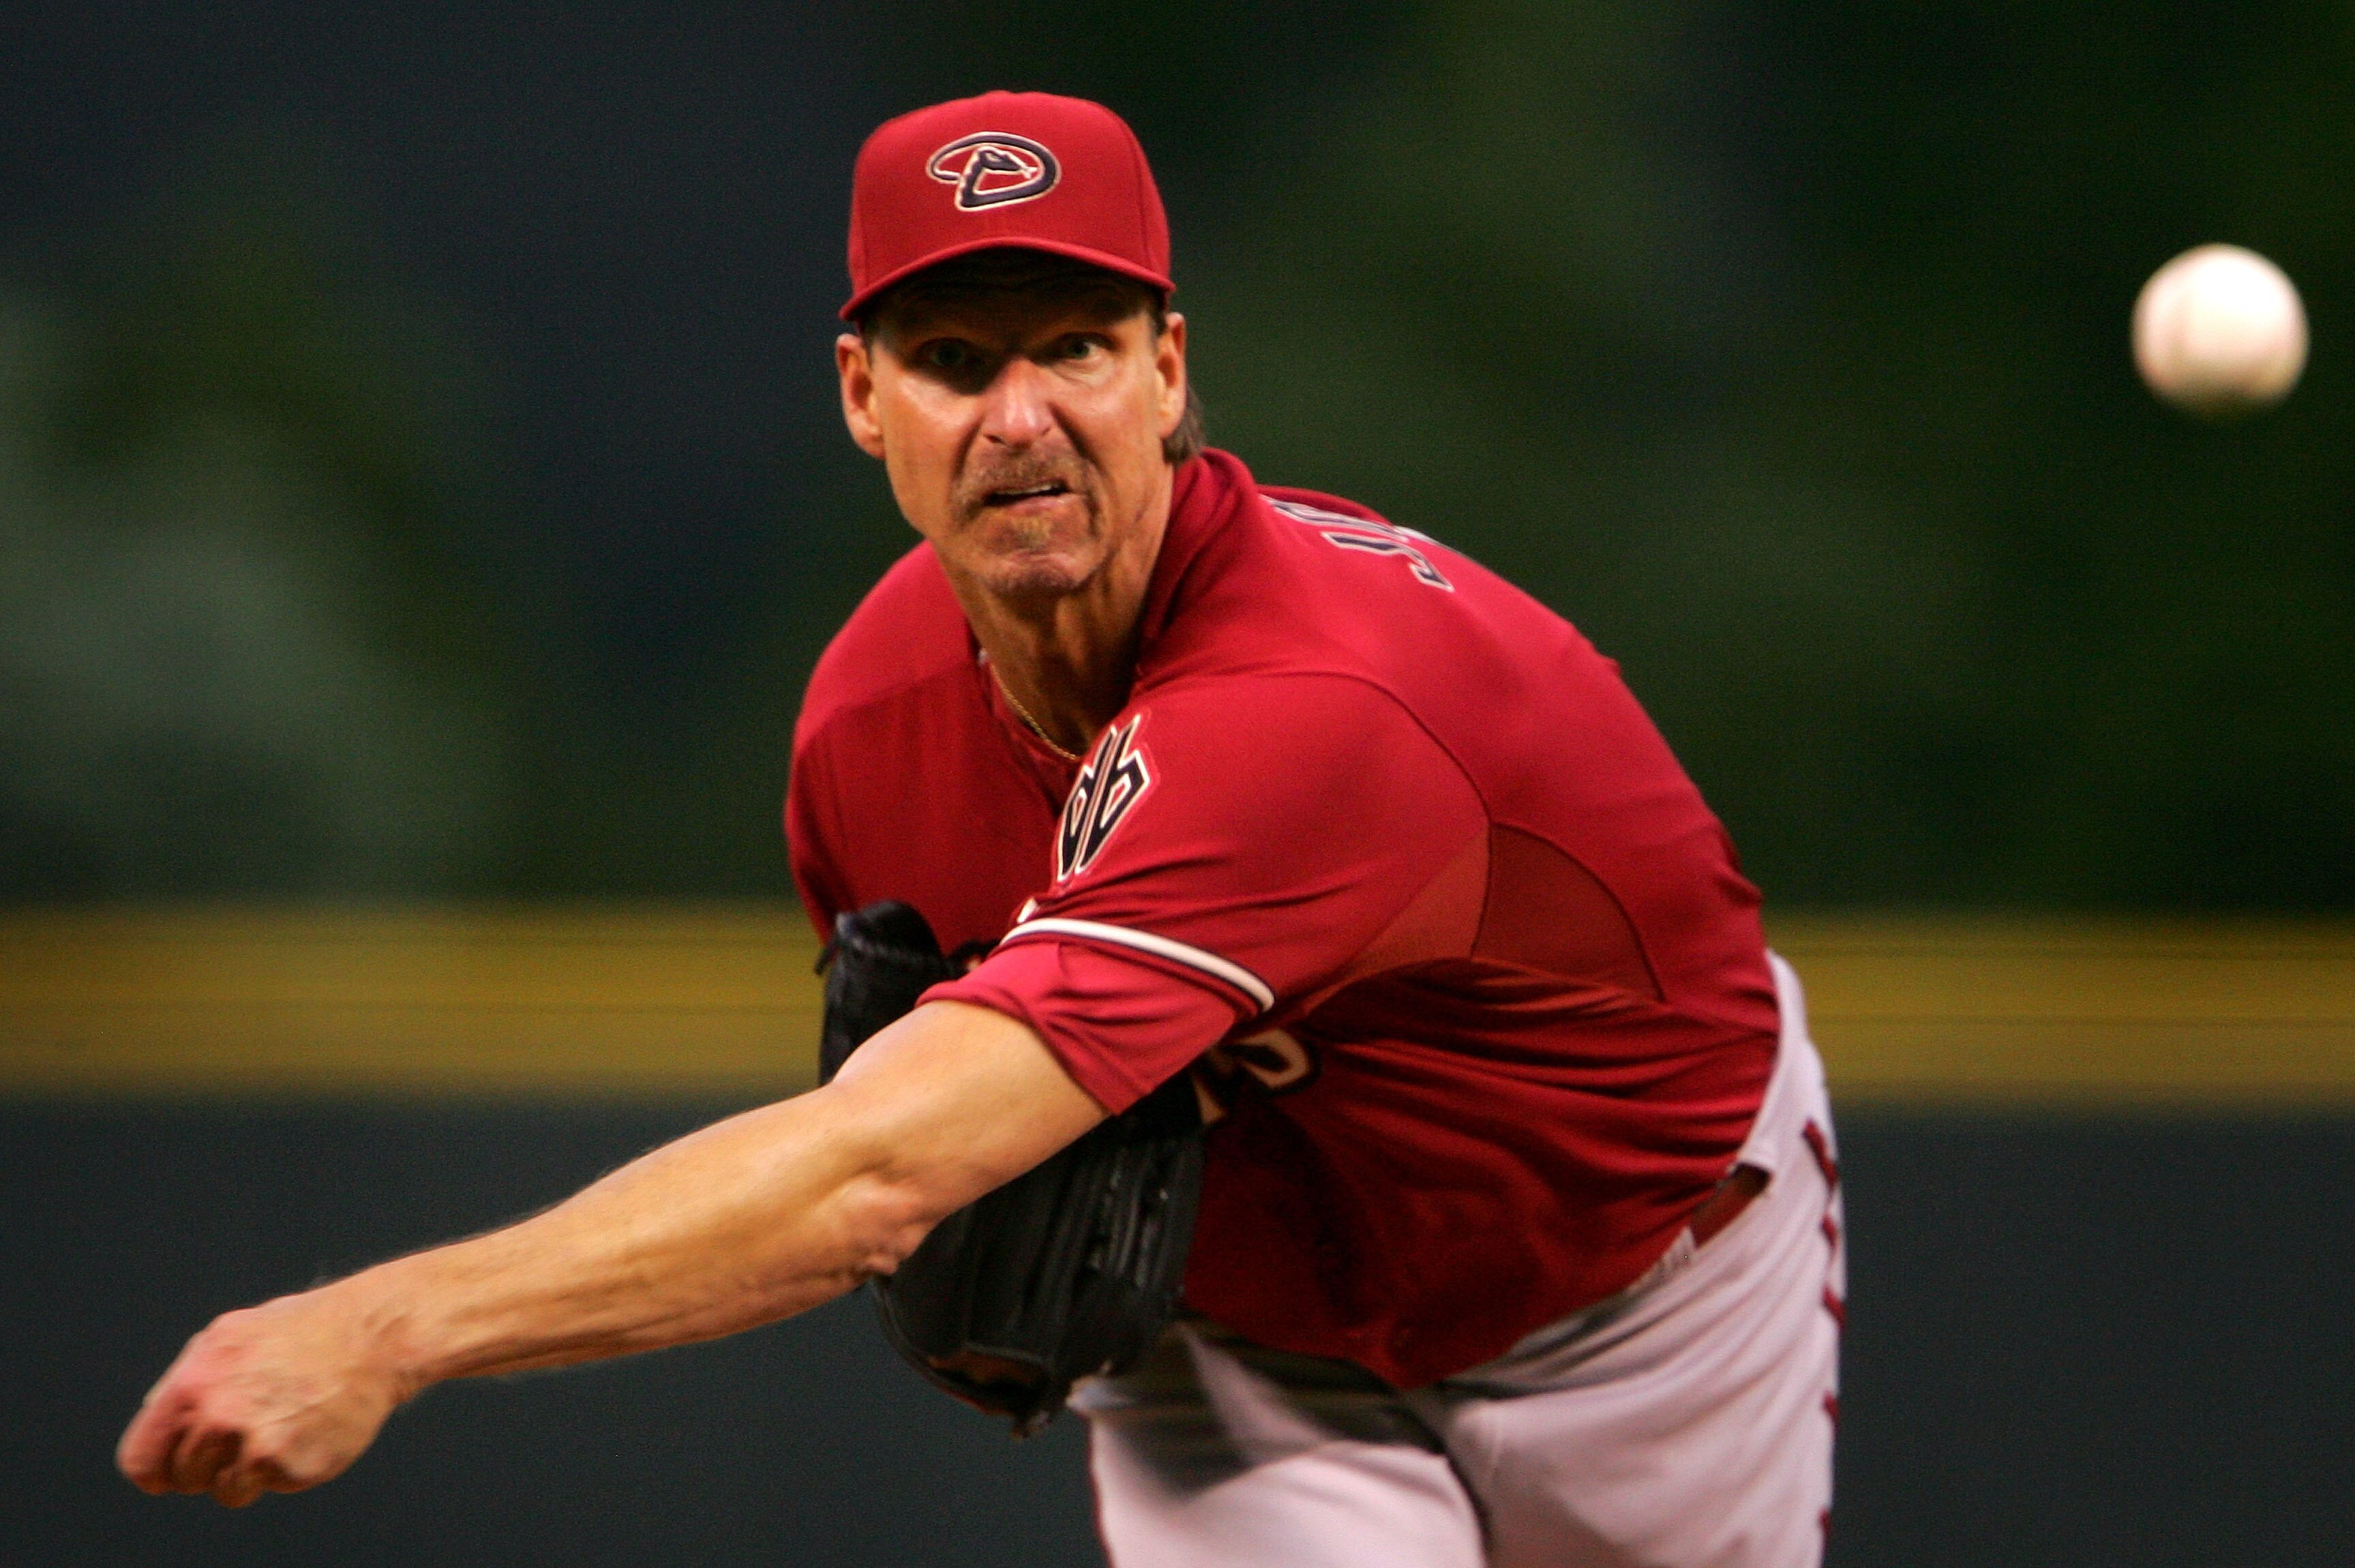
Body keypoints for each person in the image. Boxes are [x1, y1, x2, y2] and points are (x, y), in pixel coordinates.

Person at [119, 91, 1843, 1568]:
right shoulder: (867, 734)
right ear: (863, 398)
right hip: (1249, 1359)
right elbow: (904, 1150)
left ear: (1167, 372)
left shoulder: (1318, 705)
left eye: (1074, 346)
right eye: (952, 361)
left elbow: (871, 1174)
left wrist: (385, 1325)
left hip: (1644, 1302)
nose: (1019, 417)